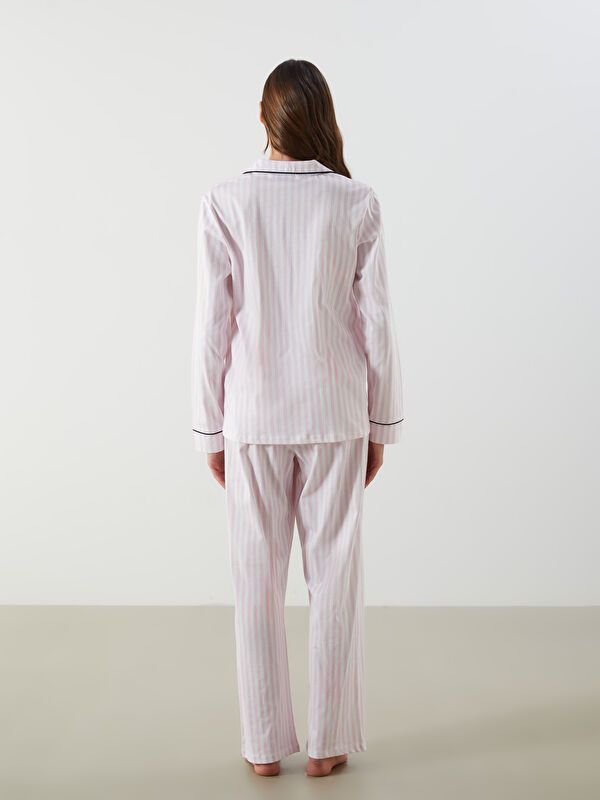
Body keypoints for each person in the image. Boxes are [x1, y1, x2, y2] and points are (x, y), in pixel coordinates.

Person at [191, 59, 404, 778]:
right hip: (335, 411)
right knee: (335, 576)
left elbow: (211, 326)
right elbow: (378, 324)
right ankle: (328, 741)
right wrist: (381, 425)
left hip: (252, 413)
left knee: (254, 579)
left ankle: (262, 748)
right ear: (322, 116)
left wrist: (210, 429)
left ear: (263, 116)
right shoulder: (356, 201)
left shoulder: (225, 202)